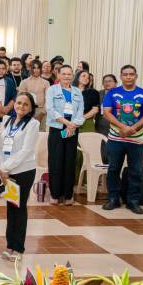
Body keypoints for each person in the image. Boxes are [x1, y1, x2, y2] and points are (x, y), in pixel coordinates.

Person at [0, 93, 40, 262]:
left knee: (19, 209)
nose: (21, 106)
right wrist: (1, 166)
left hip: (23, 171)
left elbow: (26, 150)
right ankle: (9, 245)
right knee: (10, 207)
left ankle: (18, 248)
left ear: (31, 107)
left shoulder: (33, 124)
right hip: (6, 171)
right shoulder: (6, 120)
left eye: (25, 104)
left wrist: (6, 167)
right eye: (19, 103)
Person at [102, 65, 143, 214]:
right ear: (120, 76)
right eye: (125, 74)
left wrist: (132, 129)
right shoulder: (113, 93)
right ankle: (113, 198)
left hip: (137, 139)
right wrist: (123, 127)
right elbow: (107, 113)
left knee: (136, 171)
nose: (128, 77)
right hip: (116, 138)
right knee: (113, 169)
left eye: (131, 74)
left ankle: (133, 201)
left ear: (136, 76)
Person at [45, 65, 84, 206]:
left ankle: (68, 194)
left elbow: (81, 112)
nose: (67, 76)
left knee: (69, 161)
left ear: (73, 75)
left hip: (72, 130)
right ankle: (55, 194)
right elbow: (50, 109)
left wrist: (73, 124)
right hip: (57, 129)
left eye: (69, 74)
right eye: (64, 74)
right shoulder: (52, 90)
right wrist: (66, 122)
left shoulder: (77, 92)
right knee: (56, 161)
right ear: (58, 75)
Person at [18, 59, 50, 129]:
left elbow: (48, 100)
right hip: (27, 110)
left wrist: (42, 113)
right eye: (34, 68)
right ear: (30, 68)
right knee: (26, 132)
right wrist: (26, 111)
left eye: (38, 68)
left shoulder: (46, 83)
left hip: (41, 110)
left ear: (41, 69)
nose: (36, 70)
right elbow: (21, 99)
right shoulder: (24, 82)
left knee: (41, 134)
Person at [0, 59, 17, 130]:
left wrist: (7, 108)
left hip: (7, 114)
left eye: (3, 69)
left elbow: (14, 96)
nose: (1, 71)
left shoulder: (9, 81)